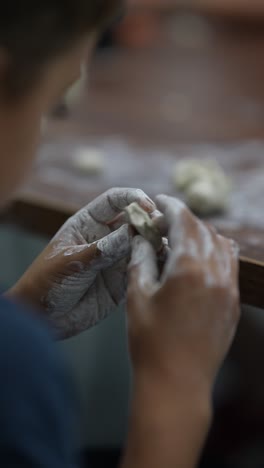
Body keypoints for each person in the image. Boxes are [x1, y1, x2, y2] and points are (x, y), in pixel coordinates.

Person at [0, 1, 240, 467]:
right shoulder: (17, 370)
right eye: (54, 104)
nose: (45, 133)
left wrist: (22, 308)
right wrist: (175, 388)